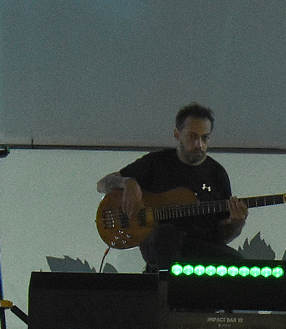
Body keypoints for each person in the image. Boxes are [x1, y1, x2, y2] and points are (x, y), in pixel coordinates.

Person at [96, 103, 248, 273]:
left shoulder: (217, 174)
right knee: (167, 234)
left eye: (205, 138)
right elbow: (102, 184)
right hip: (159, 245)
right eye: (192, 136)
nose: (199, 144)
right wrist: (127, 183)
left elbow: (222, 236)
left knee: (238, 264)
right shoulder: (157, 162)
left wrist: (236, 224)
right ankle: (165, 283)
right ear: (177, 134)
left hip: (199, 247)